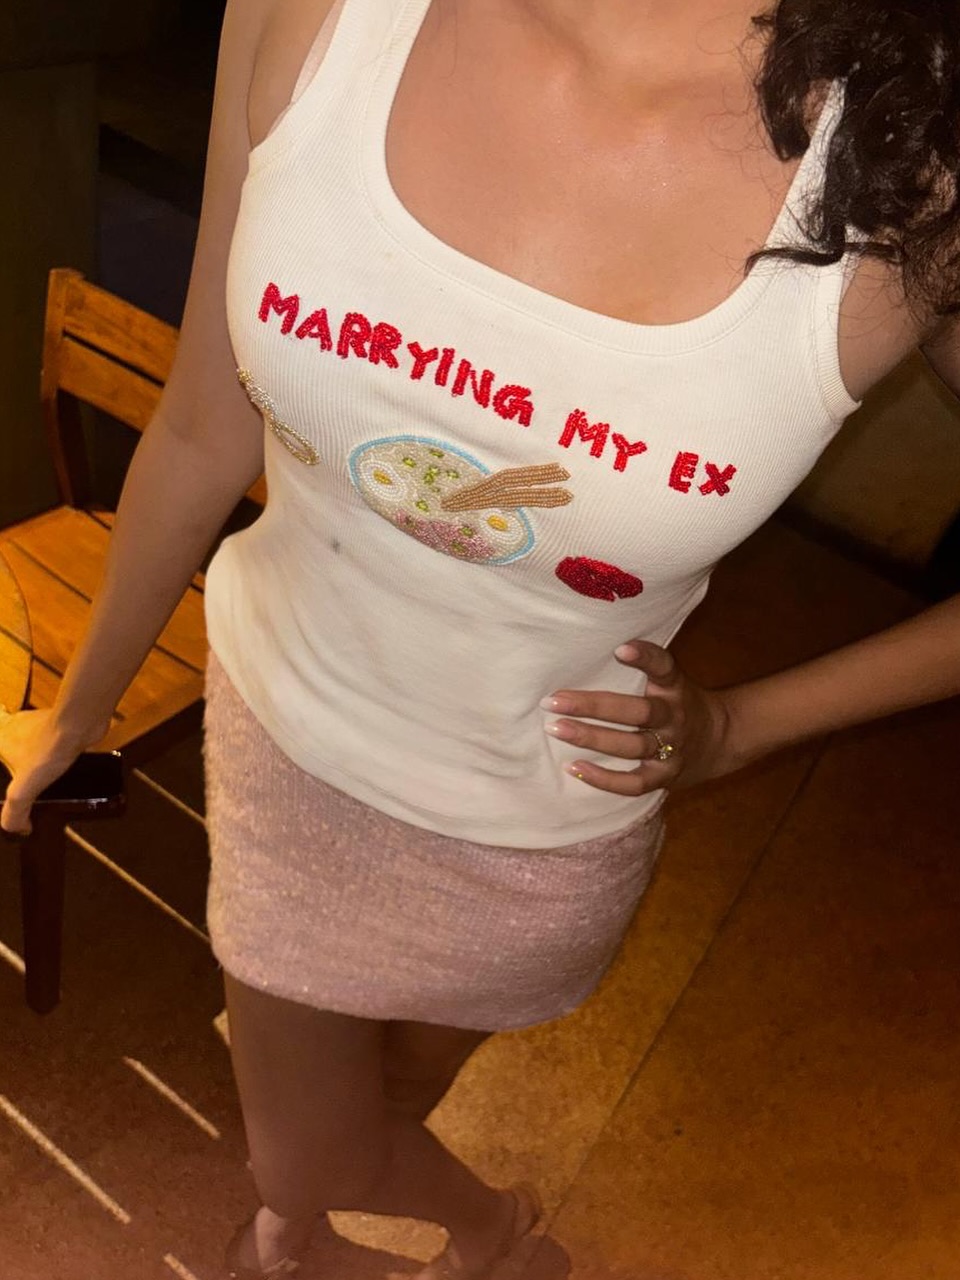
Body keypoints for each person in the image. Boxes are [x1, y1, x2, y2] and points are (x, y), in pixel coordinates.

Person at [2, 0, 960, 1275]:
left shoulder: (917, 155)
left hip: (540, 832)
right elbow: (201, 425)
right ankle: (481, 1223)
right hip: (288, 736)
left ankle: (352, 1219)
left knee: (388, 1100)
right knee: (305, 1148)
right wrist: (80, 709)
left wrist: (740, 727)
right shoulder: (311, 13)